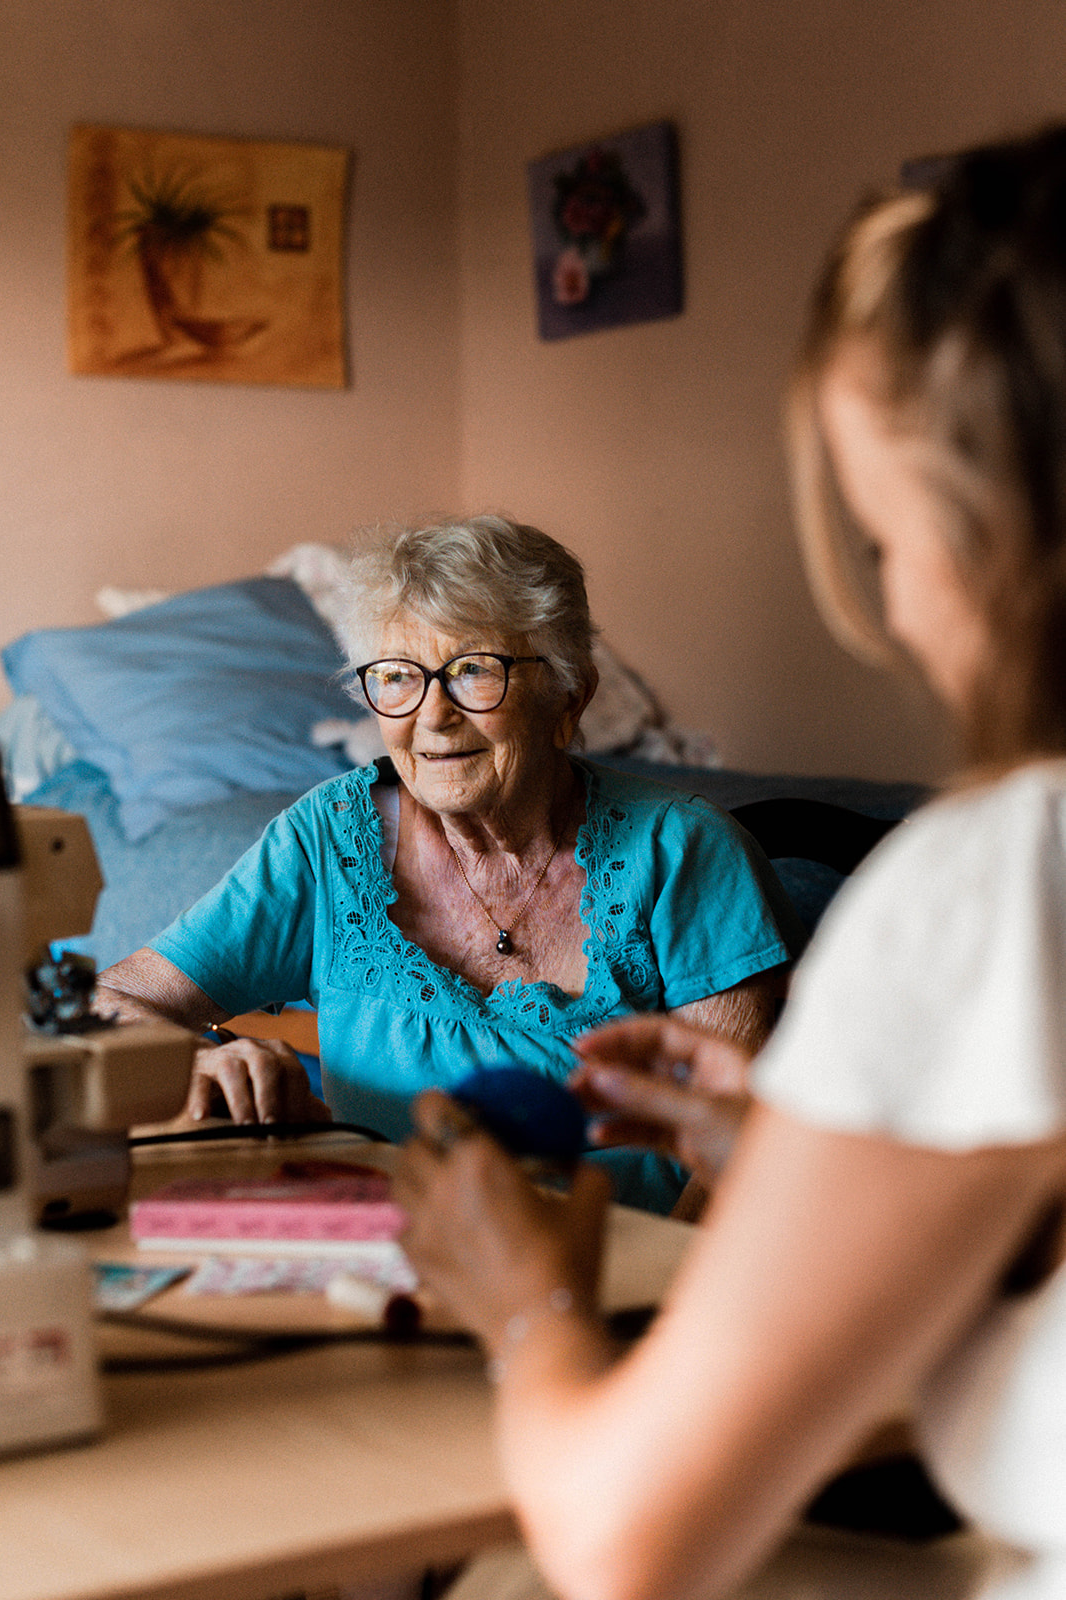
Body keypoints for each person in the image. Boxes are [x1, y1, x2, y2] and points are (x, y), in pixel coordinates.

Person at [393, 128, 1066, 1600]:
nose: (892, 605)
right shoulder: (323, 837)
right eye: (397, 682)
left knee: (517, 1578)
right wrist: (805, 1163)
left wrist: (517, 1306)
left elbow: (631, 1541)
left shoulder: (998, 879)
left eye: (889, 541)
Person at [96, 515, 801, 1213]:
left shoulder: (683, 853)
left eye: (472, 670)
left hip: (625, 1277)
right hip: (395, 1265)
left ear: (569, 696)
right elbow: (111, 1000)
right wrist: (196, 1055)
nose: (432, 715)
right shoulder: (327, 840)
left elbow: (735, 1164)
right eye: (398, 677)